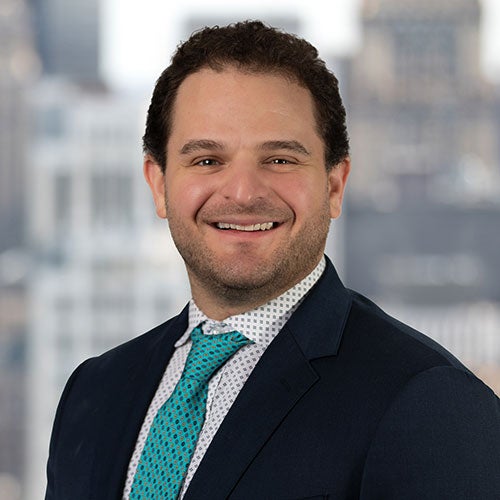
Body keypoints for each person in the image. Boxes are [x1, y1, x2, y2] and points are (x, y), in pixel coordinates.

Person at [45, 20, 500, 500]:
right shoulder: (94, 392)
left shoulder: (432, 403)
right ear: (158, 185)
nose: (243, 193)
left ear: (334, 185)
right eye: (207, 160)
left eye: (280, 159)